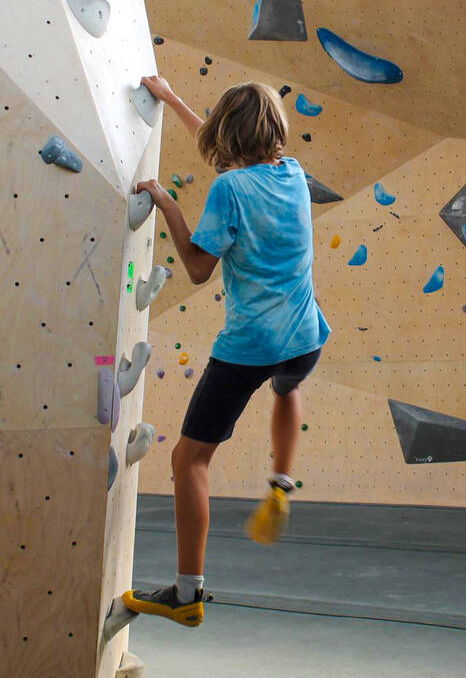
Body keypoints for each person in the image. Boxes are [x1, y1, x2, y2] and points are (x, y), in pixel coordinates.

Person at [122, 75, 330, 627]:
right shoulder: (293, 175)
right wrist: (172, 100)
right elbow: (228, 157)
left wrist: (166, 203)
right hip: (303, 338)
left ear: (227, 133)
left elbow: (195, 268)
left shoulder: (229, 192)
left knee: (189, 459)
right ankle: (282, 483)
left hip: (249, 347)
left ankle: (187, 594)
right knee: (289, 387)